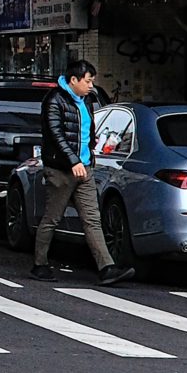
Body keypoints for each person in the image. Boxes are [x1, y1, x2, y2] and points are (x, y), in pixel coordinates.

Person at [34, 58, 133, 286]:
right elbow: (55, 134)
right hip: (61, 170)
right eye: (88, 81)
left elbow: (87, 132)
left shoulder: (87, 101)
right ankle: (40, 264)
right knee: (52, 218)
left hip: (84, 169)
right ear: (74, 80)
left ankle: (106, 268)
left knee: (92, 219)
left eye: (92, 82)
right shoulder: (54, 100)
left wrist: (89, 156)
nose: (91, 86)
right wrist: (73, 161)